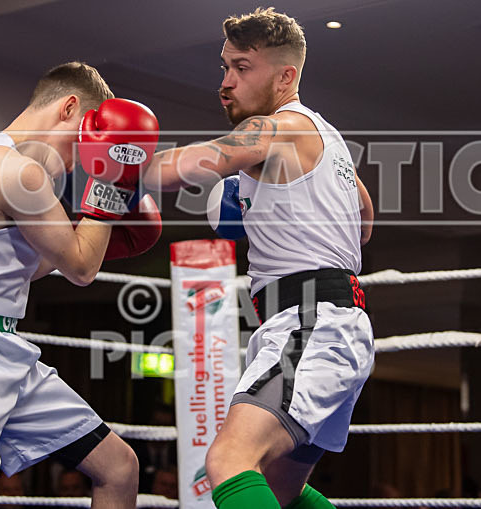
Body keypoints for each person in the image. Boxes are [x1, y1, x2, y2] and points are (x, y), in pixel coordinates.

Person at [144, 8, 374, 508]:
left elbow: (188, 166)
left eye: (242, 68)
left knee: (229, 460)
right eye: (225, 67)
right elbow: (365, 217)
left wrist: (116, 159)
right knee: (279, 490)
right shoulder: (328, 138)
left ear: (285, 75)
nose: (226, 82)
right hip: (324, 319)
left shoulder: (278, 128)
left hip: (310, 322)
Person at [0, 61, 162, 509]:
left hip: (3, 346)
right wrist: (107, 190)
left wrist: (98, 238)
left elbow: (40, 263)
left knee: (119, 468)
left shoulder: (27, 169)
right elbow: (81, 270)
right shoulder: (13, 171)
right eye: (86, 139)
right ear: (68, 108)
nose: (83, 154)